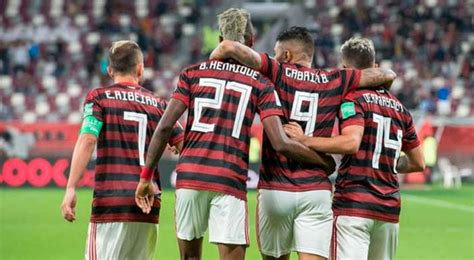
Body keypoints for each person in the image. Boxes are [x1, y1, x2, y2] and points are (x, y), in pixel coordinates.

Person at [135, 9, 333, 260]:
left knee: (189, 258)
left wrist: (146, 177)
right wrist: (323, 161)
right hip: (229, 178)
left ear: (220, 41)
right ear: (251, 42)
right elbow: (281, 142)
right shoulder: (261, 83)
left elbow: (164, 127)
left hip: (190, 176)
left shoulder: (192, 73)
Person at [210, 27, 397, 260]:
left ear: (286, 55)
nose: (275, 56)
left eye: (277, 53)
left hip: (275, 188)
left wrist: (211, 65)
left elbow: (229, 47)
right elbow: (386, 74)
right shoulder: (335, 79)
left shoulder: (276, 71)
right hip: (315, 191)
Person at [284, 37, 425, 260]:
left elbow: (350, 143)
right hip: (388, 211)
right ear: (375, 67)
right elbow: (419, 163)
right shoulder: (401, 109)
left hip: (354, 206)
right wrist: (387, 162)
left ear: (345, 70)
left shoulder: (352, 99)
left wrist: (305, 140)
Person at [60, 40, 184, 260]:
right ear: (140, 68)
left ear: (109, 70)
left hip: (111, 204)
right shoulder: (159, 104)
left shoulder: (98, 98)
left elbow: (88, 139)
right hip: (147, 205)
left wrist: (71, 187)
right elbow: (184, 144)